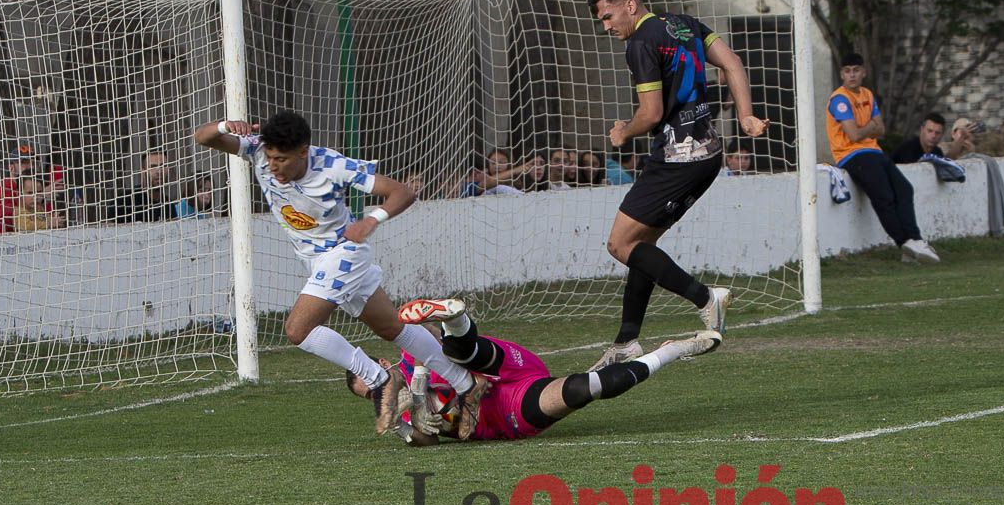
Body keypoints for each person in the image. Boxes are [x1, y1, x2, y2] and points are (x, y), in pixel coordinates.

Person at [193, 109, 485, 437]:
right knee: (391, 327)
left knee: (297, 330)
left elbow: (402, 192)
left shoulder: (333, 166)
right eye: (271, 158)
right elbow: (204, 137)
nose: (273, 167)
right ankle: (466, 384)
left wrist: (371, 220)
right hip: (317, 260)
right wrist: (223, 125)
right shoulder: (258, 150)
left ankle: (379, 379)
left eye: (282, 160)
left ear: (303, 151)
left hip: (343, 253)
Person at [587, 0, 764, 370]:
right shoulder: (684, 24)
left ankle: (706, 298)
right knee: (641, 245)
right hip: (708, 154)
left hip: (677, 158)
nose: (607, 26)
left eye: (607, 16)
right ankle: (627, 341)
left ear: (630, 5)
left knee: (620, 245)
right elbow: (733, 63)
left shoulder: (640, 43)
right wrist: (747, 116)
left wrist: (622, 132)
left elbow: (649, 115)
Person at [345, 298, 721, 445]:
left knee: (460, 351)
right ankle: (675, 350)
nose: (378, 393)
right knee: (582, 390)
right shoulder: (404, 411)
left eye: (375, 383)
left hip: (503, 367)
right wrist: (402, 426)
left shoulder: (407, 356)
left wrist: (419, 378)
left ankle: (455, 317)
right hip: (504, 413)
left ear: (381, 366)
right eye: (370, 395)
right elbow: (429, 442)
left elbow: (419, 333)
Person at [826, 53, 940, 264]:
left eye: (856, 70)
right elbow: (854, 135)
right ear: (842, 74)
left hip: (874, 151)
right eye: (847, 71)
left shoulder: (867, 95)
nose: (852, 75)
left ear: (863, 72)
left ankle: (914, 241)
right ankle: (904, 241)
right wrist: (870, 127)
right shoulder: (840, 99)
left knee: (905, 189)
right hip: (851, 155)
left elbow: (882, 130)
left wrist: (868, 129)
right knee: (883, 197)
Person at [0, 142, 37, 234]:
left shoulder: (37, 187)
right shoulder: (4, 191)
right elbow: (7, 219)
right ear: (11, 168)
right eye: (25, 163)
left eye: (34, 162)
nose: (31, 167)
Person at [111, 151, 177, 222]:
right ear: (143, 171)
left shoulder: (168, 204)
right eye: (153, 167)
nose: (159, 171)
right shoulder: (124, 200)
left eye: (163, 166)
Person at [892, 112, 974, 164]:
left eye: (937, 133)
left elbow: (946, 162)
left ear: (942, 134)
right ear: (922, 130)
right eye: (930, 131)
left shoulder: (936, 151)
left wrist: (961, 138)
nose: (933, 136)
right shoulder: (908, 149)